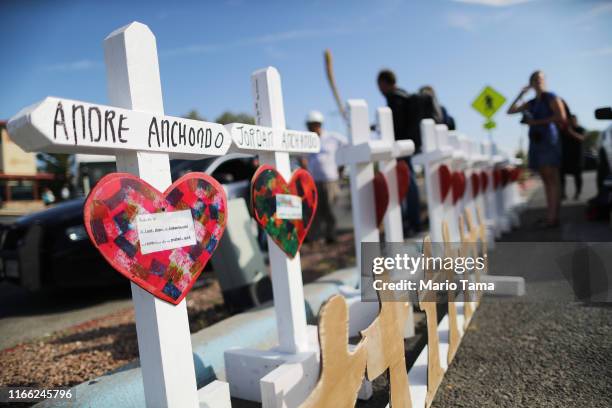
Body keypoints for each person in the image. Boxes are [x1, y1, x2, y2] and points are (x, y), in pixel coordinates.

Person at [377, 69, 441, 235]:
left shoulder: (395, 99)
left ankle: (413, 222)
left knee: (407, 185)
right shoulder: (404, 96)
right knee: (407, 184)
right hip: (408, 146)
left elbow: (396, 126)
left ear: (384, 83)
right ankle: (413, 221)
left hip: (401, 148)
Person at [507, 70, 566, 227]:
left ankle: (553, 218)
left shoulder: (551, 97)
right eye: (534, 79)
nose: (538, 81)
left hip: (549, 140)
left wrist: (536, 123)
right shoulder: (532, 102)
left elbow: (561, 117)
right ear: (531, 83)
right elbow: (510, 111)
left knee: (552, 178)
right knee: (546, 179)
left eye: (540, 79)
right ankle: (551, 216)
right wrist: (521, 94)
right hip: (536, 142)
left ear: (545, 80)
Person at [300, 111, 347, 243]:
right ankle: (315, 238)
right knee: (315, 210)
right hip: (313, 181)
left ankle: (331, 236)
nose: (311, 128)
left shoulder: (333, 138)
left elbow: (348, 148)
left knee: (330, 208)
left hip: (330, 180)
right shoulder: (306, 141)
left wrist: (342, 166)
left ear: (319, 124)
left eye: (313, 125)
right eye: (309, 125)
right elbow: (303, 159)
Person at [560, 110, 585, 200]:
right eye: (570, 120)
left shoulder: (580, 129)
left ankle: (577, 193)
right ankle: (562, 193)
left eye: (573, 120)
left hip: (577, 158)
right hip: (565, 158)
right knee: (561, 177)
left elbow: (581, 138)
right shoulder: (563, 131)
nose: (572, 121)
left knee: (577, 176)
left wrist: (571, 132)